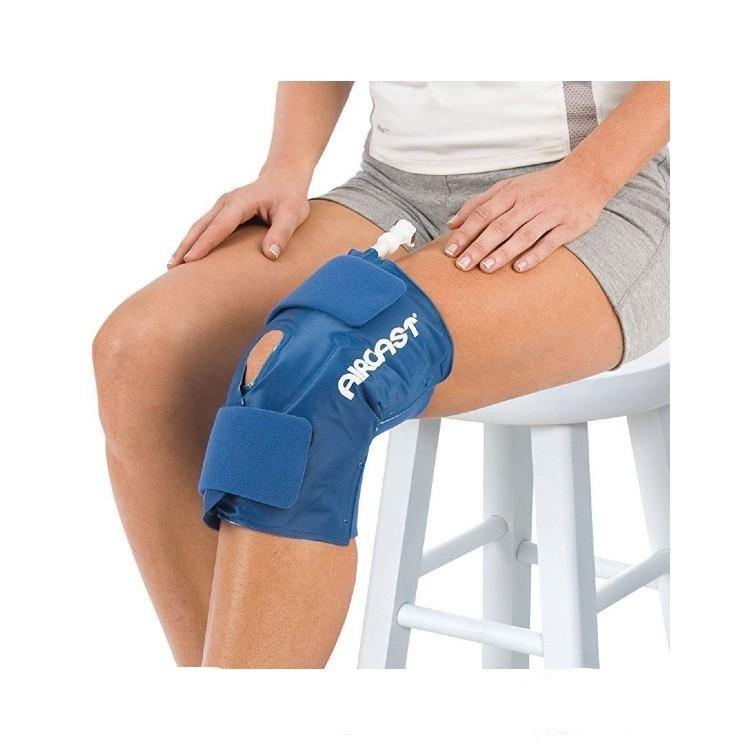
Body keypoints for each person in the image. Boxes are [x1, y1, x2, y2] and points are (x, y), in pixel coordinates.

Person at [93, 81, 669, 668]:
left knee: (309, 385)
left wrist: (588, 177)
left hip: (599, 191)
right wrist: (286, 166)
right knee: (137, 355)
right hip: (392, 190)